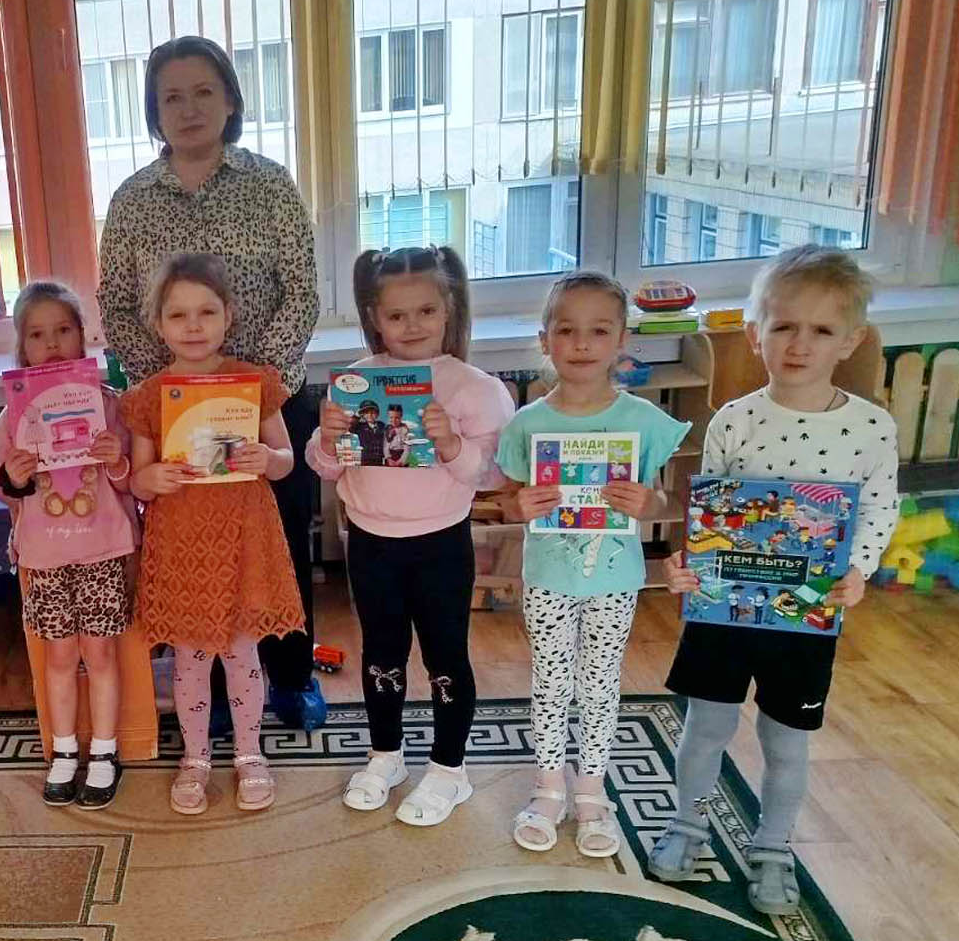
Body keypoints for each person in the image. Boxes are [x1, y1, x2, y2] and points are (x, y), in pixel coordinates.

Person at [650, 245, 899, 914]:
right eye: (784, 325)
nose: (799, 344)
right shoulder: (734, 418)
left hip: (806, 614)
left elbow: (880, 508)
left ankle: (773, 847)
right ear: (755, 331)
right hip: (724, 612)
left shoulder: (871, 428)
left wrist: (859, 568)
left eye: (821, 329)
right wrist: (686, 564)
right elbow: (712, 510)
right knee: (706, 726)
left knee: (786, 740)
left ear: (850, 340)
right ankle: (687, 826)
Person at [96, 35, 321, 724]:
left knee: (275, 546)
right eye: (172, 97)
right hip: (176, 410)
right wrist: (168, 388)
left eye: (203, 92)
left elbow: (301, 291)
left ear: (230, 100)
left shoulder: (270, 184)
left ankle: (291, 675)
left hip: (267, 403)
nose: (189, 108)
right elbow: (115, 303)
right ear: (153, 111)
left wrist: (253, 387)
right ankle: (216, 691)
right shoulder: (132, 200)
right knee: (194, 551)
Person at [309, 246, 514, 826]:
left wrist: (450, 443)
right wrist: (327, 437)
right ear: (375, 318)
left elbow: (495, 476)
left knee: (445, 655)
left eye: (426, 311)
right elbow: (325, 468)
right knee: (381, 653)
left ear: (448, 308)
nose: (412, 325)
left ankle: (450, 768)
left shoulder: (475, 388)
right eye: (397, 315)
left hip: (440, 545)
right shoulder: (355, 382)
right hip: (370, 543)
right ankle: (386, 755)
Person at [495, 273, 689, 856]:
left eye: (599, 331)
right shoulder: (527, 422)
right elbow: (508, 498)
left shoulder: (643, 421)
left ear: (622, 339)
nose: (581, 343)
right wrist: (519, 506)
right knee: (551, 681)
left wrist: (648, 503)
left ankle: (592, 788)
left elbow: (666, 501)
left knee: (601, 682)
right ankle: (548, 786)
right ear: (545, 340)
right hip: (548, 577)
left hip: (615, 578)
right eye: (566, 330)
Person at [123, 252, 303, 814]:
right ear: (158, 324)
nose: (193, 326)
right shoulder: (150, 395)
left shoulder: (253, 383)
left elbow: (287, 459)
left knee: (243, 653)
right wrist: (150, 478)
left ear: (229, 315)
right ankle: (195, 757)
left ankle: (250, 752)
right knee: (191, 659)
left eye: (206, 312)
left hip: (244, 535)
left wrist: (267, 457)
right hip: (182, 544)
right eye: (178, 315)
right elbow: (137, 478)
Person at [0, 281, 137, 810]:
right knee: (58, 656)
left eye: (63, 330)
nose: (51, 343)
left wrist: (116, 458)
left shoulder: (109, 406)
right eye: (37, 334)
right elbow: (3, 489)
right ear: (22, 346)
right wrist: (14, 476)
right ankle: (65, 750)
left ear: (82, 336)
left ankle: (105, 751)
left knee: (100, 654)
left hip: (101, 549)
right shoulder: (11, 416)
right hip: (45, 554)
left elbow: (131, 484)